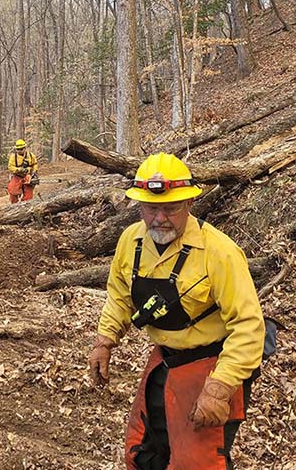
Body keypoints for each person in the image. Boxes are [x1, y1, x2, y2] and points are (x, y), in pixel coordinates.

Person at [87, 152, 265, 470]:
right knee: (143, 453)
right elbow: (119, 296)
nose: (160, 218)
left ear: (189, 203)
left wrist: (220, 387)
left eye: (171, 208)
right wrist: (104, 341)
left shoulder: (219, 252)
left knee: (198, 463)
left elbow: (249, 326)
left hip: (212, 366)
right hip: (164, 362)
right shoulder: (131, 241)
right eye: (151, 208)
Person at [7, 139, 38, 203]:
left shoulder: (31, 155)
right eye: (18, 149)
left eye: (21, 149)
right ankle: (14, 205)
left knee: (28, 194)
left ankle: (25, 205)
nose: (19, 150)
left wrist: (34, 172)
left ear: (25, 148)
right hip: (17, 176)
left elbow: (35, 164)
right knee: (12, 190)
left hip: (28, 175)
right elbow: (10, 167)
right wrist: (19, 170)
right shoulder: (13, 157)